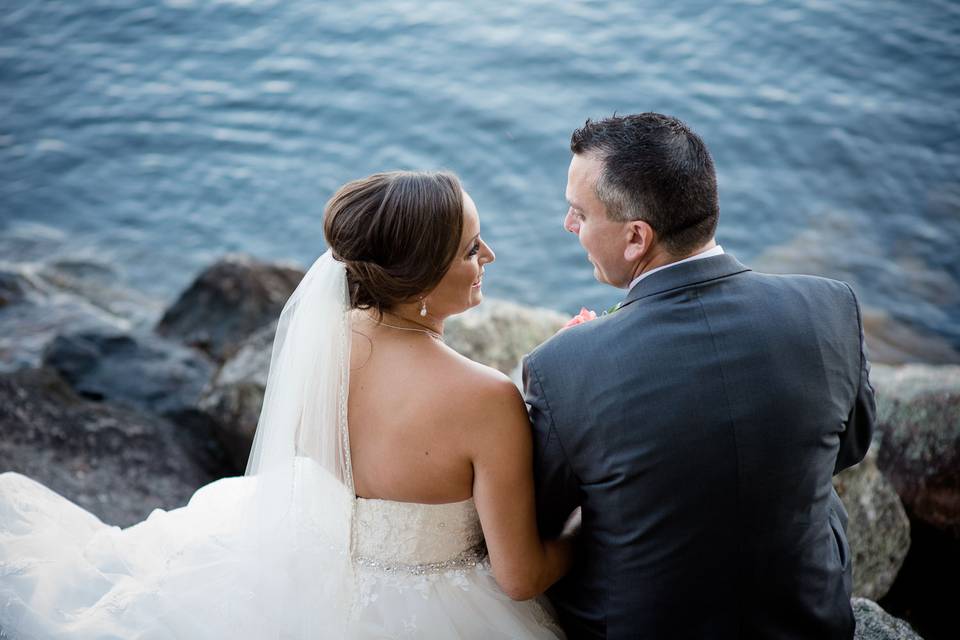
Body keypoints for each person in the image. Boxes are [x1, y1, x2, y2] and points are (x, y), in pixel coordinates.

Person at [0, 171, 571, 638]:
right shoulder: (485, 397)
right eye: (472, 248)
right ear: (421, 278)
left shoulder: (321, 344)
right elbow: (519, 577)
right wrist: (585, 529)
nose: (490, 255)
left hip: (304, 573)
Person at [523, 113, 876, 639]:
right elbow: (851, 447)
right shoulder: (830, 306)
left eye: (578, 213)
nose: (568, 226)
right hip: (808, 621)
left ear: (637, 237)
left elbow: (541, 519)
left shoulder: (561, 365)